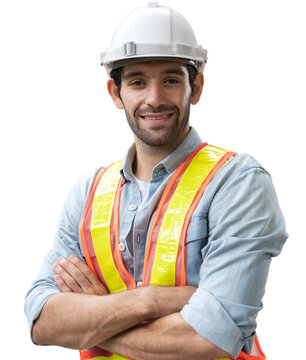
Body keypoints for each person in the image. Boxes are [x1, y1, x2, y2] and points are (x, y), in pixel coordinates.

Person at [25, 3, 288, 360]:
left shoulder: (237, 184)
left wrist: (91, 321)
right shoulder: (87, 194)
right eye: (136, 81)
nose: (154, 98)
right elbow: (42, 322)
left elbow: (209, 340)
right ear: (115, 93)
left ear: (195, 87)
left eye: (170, 79)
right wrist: (149, 300)